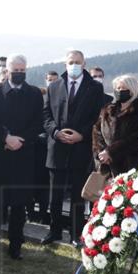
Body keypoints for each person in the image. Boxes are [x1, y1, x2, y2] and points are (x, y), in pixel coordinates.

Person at [0, 53, 44, 260]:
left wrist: (20, 140)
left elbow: (38, 122)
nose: (18, 73)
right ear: (6, 70)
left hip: (23, 155)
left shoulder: (34, 93)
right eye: (15, 70)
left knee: (19, 205)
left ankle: (16, 246)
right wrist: (6, 137)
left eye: (22, 70)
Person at [42, 49, 105, 245]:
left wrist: (82, 135)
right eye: (71, 62)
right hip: (57, 148)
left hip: (80, 148)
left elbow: (97, 118)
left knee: (79, 195)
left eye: (78, 62)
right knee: (55, 195)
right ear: (65, 64)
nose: (74, 65)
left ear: (84, 64)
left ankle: (76, 234)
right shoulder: (54, 86)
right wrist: (55, 132)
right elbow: (46, 116)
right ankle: (54, 231)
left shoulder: (94, 88)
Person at [93, 74, 138, 177]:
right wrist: (101, 153)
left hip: (127, 164)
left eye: (123, 88)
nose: (119, 91)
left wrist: (110, 152)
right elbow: (97, 131)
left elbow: (135, 138)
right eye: (118, 88)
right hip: (106, 165)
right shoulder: (108, 109)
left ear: (132, 90)